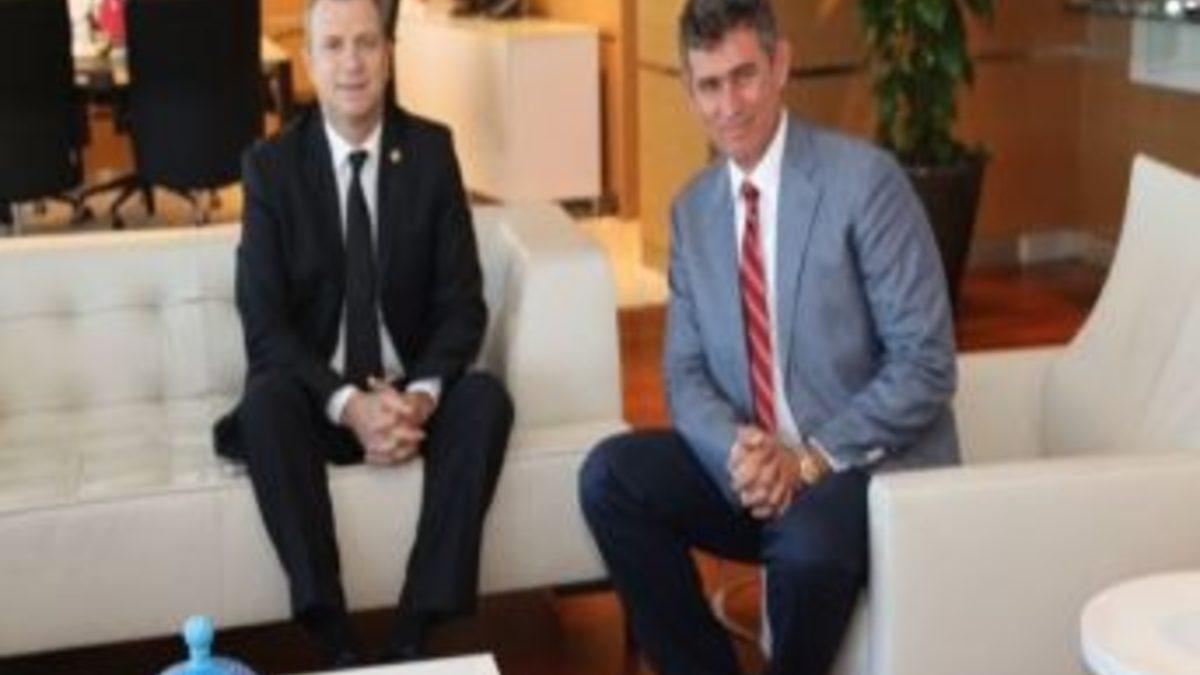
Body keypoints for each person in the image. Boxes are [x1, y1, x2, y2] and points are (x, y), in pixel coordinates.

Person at [578, 1, 958, 673]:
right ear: (689, 92)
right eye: (710, 85)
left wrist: (805, 461)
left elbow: (926, 363)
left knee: (807, 548)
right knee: (610, 477)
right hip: (755, 475)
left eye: (744, 76)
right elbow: (684, 373)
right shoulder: (693, 211)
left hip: (857, 468)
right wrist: (739, 452)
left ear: (780, 64)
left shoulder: (865, 183)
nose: (729, 105)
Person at [211, 0, 512, 666]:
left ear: (389, 54)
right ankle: (334, 636)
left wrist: (420, 399)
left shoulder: (430, 151)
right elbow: (265, 325)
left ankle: (416, 625)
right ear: (309, 60)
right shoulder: (271, 167)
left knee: (486, 400)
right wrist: (350, 406)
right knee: (265, 404)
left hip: (409, 399)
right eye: (334, 45)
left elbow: (462, 304)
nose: (352, 63)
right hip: (320, 400)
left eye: (367, 43)